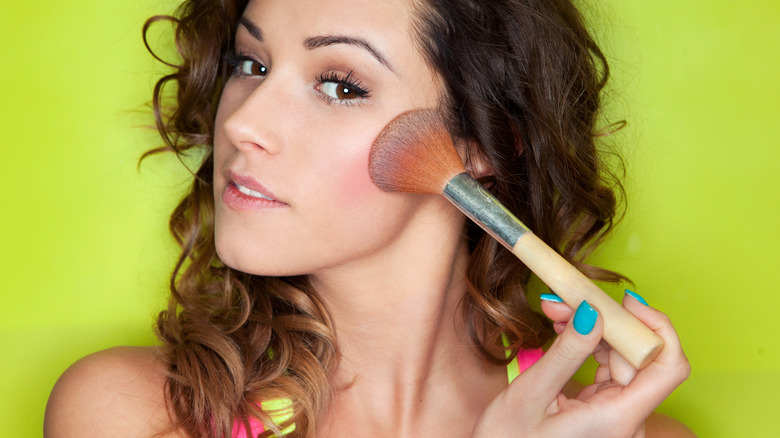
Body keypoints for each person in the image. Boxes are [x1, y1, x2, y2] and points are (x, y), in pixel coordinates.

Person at [44, 0, 693, 437]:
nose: (241, 122)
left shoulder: (629, 433)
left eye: (340, 85)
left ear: (483, 142)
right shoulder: (135, 415)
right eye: (251, 64)